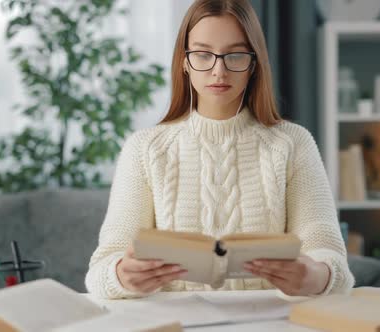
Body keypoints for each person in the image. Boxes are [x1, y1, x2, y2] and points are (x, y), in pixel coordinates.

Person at [85, 0, 354, 299]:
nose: (219, 70)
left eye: (235, 55)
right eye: (203, 54)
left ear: (254, 63)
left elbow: (330, 256)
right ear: (185, 62)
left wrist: (317, 276)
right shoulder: (145, 149)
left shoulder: (292, 143)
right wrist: (121, 276)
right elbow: (99, 272)